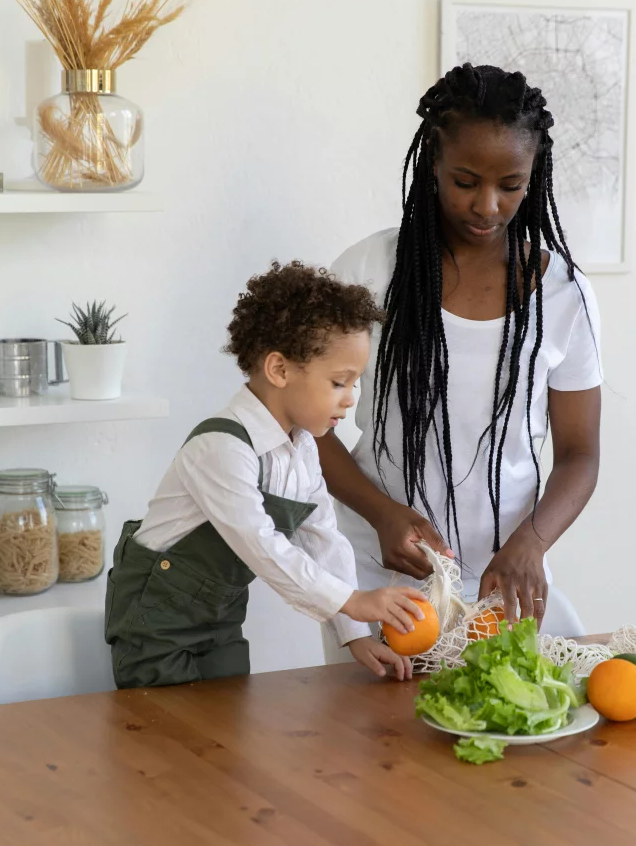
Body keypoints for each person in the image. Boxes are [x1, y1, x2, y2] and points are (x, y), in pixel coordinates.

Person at [319, 64, 602, 688]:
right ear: (432, 168)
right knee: (379, 765)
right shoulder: (372, 268)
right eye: (465, 182)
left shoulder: (562, 294)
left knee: (534, 749)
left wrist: (532, 542)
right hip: (379, 579)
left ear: (535, 178)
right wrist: (381, 513)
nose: (487, 205)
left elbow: (581, 454)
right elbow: (302, 425)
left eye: (511, 185)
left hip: (509, 579)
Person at [105, 261, 424, 689]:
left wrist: (354, 636)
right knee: (166, 740)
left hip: (219, 622)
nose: (350, 400)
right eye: (338, 382)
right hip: (155, 626)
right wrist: (352, 600)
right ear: (279, 370)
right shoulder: (221, 447)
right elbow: (264, 548)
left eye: (356, 384)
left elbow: (322, 540)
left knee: (224, 734)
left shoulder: (302, 449)